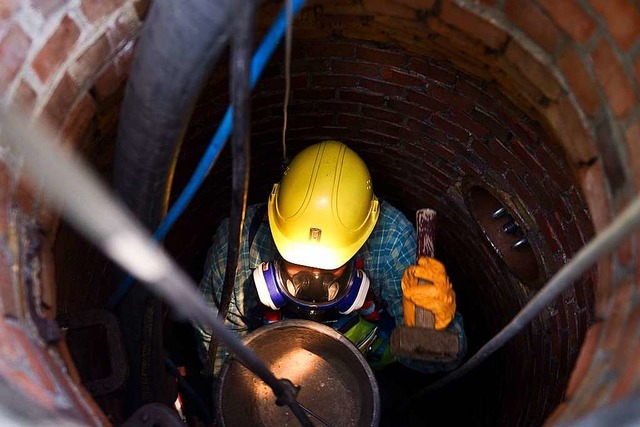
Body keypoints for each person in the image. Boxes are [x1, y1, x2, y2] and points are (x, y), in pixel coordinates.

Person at [195, 140, 466, 376]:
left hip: (363, 356)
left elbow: (436, 363)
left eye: (330, 266)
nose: (312, 281)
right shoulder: (237, 247)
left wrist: (435, 334)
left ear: (361, 240)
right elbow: (219, 351)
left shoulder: (391, 241)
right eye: (296, 260)